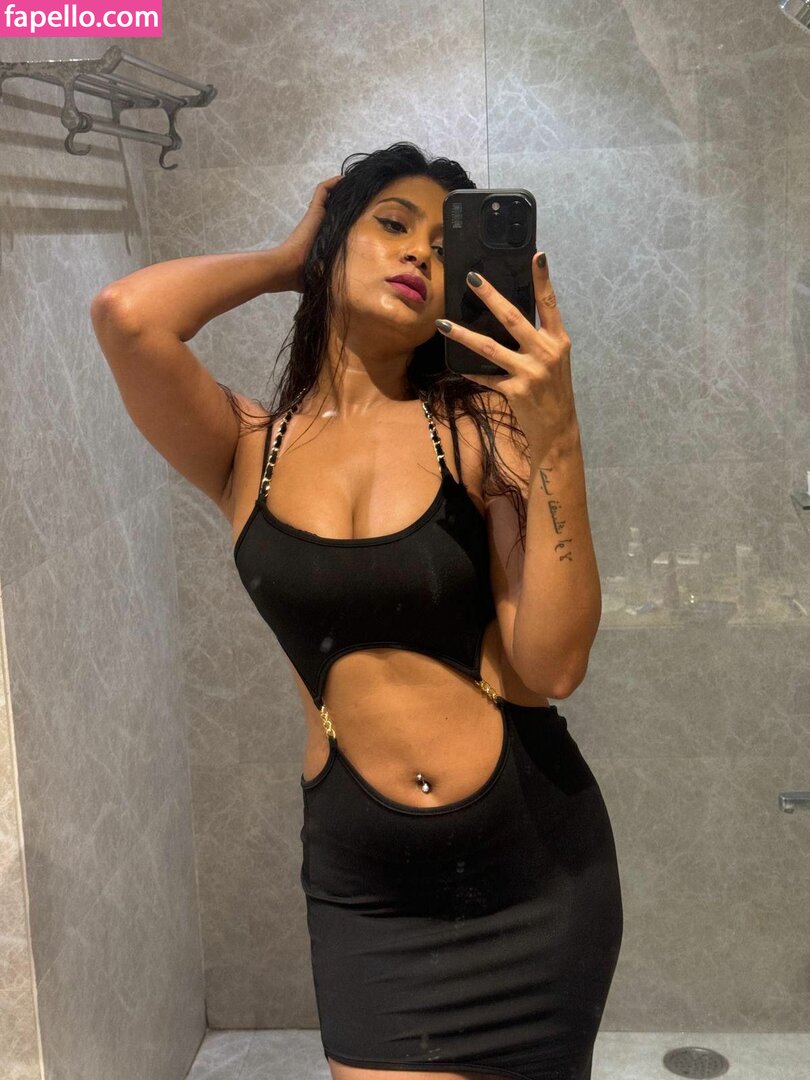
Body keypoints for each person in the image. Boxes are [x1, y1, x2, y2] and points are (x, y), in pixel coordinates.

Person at [91, 141, 623, 1080]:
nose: (420, 252)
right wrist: (287, 260)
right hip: (369, 894)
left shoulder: (481, 429)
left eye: (443, 246)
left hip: (533, 870)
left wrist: (559, 438)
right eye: (391, 224)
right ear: (334, 239)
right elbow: (128, 317)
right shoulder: (244, 449)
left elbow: (554, 666)